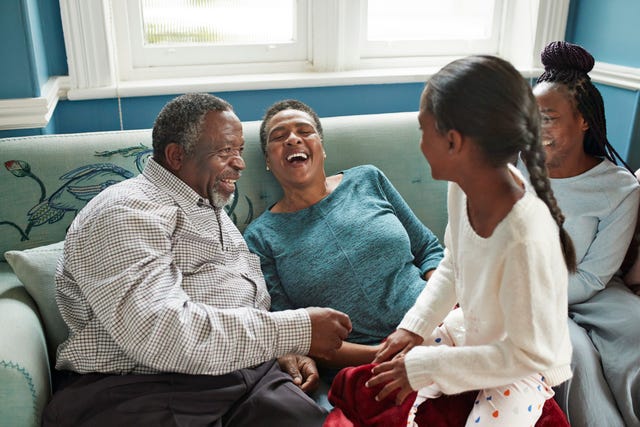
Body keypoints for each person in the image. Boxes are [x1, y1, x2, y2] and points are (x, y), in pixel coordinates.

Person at [43, 93, 353, 427]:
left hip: (243, 377)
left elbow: (233, 297)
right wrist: (297, 330)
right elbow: (159, 335)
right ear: (176, 156)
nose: (240, 163)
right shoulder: (127, 212)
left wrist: (278, 350)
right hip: (143, 388)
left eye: (239, 150)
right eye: (225, 151)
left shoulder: (207, 204)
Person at [365, 55, 575, 426]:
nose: (419, 143)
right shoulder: (463, 186)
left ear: (453, 142)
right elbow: (452, 263)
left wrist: (426, 364)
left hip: (523, 364)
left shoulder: (525, 237)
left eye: (422, 130)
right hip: (473, 330)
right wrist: (414, 325)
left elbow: (526, 354)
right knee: (386, 386)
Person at [243, 99, 444, 376]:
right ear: (268, 160)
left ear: (322, 148)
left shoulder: (368, 179)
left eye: (304, 131)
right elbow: (294, 330)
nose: (292, 139)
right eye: (279, 137)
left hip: (438, 322)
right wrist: (383, 355)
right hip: (370, 362)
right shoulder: (259, 237)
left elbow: (429, 249)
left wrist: (434, 315)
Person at [519, 41, 640, 427]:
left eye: (549, 118)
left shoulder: (619, 188)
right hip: (527, 291)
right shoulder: (513, 169)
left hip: (594, 288)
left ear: (583, 119)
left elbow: (594, 276)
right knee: (574, 356)